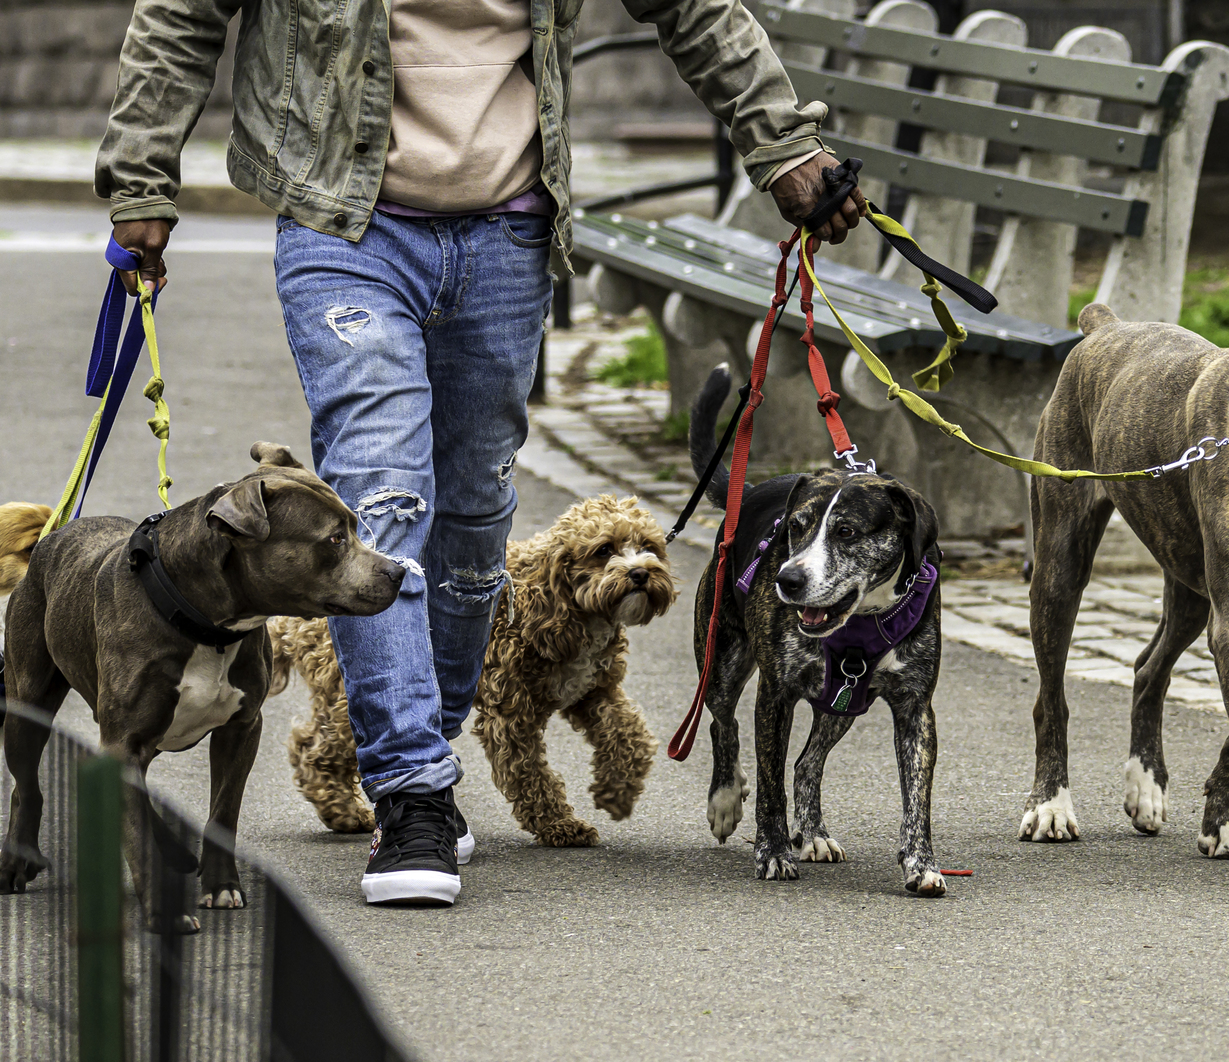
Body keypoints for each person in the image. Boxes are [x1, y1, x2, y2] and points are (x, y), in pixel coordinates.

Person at [97, 0, 864, 907]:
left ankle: (431, 740)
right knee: (382, 502)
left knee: (470, 521)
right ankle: (415, 791)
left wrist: (782, 146)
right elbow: (181, 13)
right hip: (345, 225)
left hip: (506, 230)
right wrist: (142, 175)